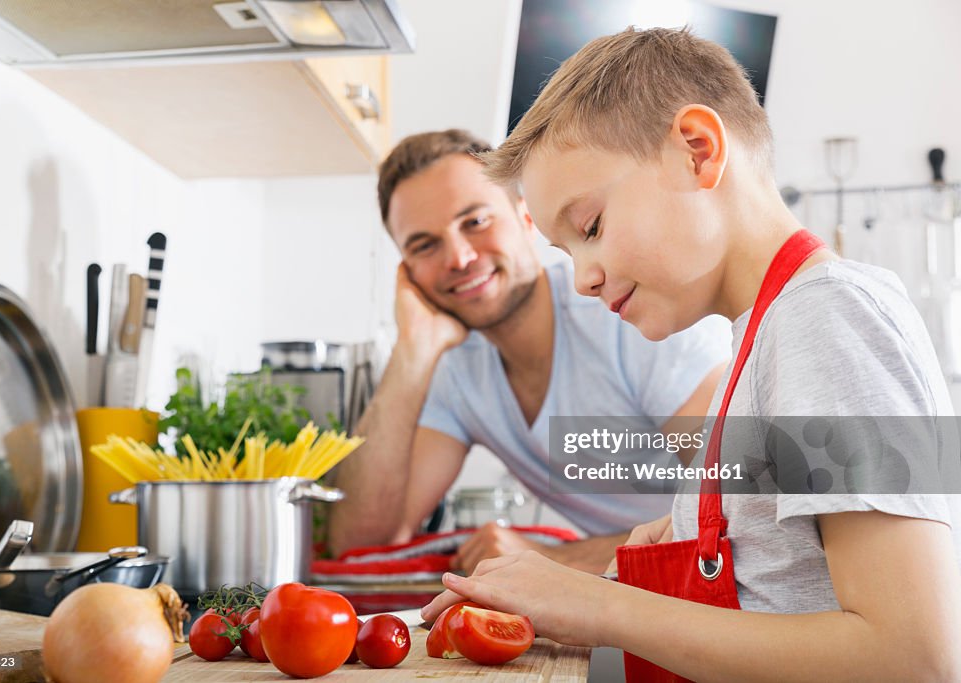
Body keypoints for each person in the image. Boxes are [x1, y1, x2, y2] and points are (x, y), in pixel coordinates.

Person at [421, 27, 961, 681]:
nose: (583, 277)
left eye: (590, 226)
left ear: (697, 152)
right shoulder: (765, 338)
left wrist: (598, 600)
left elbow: (914, 657)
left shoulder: (826, 316)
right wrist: (690, 526)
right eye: (567, 252)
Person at [327, 129, 731, 574]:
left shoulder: (621, 316)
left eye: (476, 221)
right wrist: (411, 352)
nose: (459, 257)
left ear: (525, 217)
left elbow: (747, 496)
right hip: (630, 597)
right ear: (408, 272)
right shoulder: (456, 369)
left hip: (725, 593)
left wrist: (555, 560)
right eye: (425, 245)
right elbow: (359, 543)